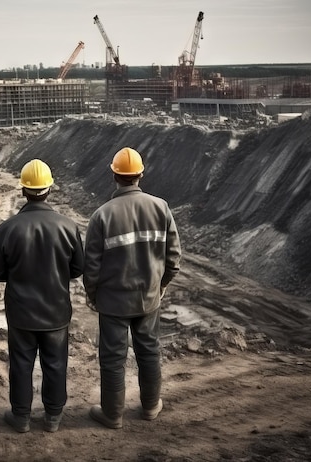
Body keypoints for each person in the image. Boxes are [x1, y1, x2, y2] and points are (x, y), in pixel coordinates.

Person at [83, 147, 181, 429]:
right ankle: (150, 407)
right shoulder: (160, 207)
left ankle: (112, 414)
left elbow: (92, 267)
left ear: (114, 174)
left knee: (113, 358)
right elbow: (174, 258)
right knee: (149, 351)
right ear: (140, 174)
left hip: (113, 302)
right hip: (148, 298)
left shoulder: (102, 216)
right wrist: (160, 287)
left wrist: (94, 296)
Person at [0, 159, 84, 433]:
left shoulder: (7, 228)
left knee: (21, 364)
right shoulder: (68, 226)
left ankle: (21, 418)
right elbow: (77, 268)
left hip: (21, 313)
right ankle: (53, 417)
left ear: (23, 191)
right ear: (49, 190)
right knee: (55, 364)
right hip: (55, 311)